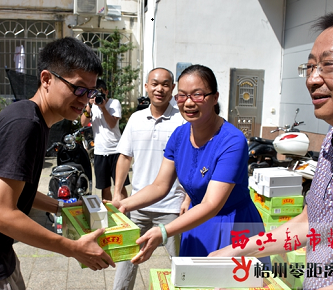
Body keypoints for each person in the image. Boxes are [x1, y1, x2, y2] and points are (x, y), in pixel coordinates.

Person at [0, 37, 115, 289]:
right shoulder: (25, 125)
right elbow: (0, 215)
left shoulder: (32, 118)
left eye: (91, 91)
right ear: (46, 79)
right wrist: (73, 248)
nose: (85, 99)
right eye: (77, 88)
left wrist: (61, 206)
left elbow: (18, 191)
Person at [210, 9, 333, 290]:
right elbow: (310, 222)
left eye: (329, 65)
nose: (313, 80)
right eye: (309, 67)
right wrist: (238, 250)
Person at [112, 64, 266, 265]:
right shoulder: (179, 135)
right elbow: (160, 186)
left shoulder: (232, 140)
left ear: (215, 98)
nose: (189, 103)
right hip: (196, 223)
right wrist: (123, 204)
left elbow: (212, 204)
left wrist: (165, 231)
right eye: (182, 96)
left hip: (233, 225)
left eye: (198, 95)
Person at [112, 67, 189, 290]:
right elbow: (125, 157)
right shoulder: (136, 119)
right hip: (138, 205)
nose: (159, 88)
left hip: (172, 207)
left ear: (173, 89)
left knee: (179, 261)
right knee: (127, 259)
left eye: (165, 84)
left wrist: (187, 197)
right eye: (154, 83)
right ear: (146, 87)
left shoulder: (182, 121)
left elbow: (188, 161)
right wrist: (118, 191)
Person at [81, 79, 130, 201]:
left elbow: (112, 123)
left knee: (120, 186)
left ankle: (123, 212)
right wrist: (89, 106)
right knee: (105, 187)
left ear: (106, 92)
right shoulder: (91, 106)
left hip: (116, 151)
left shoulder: (114, 103)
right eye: (94, 93)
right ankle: (109, 214)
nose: (97, 96)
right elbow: (83, 122)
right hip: (100, 151)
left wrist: (102, 107)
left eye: (100, 93)